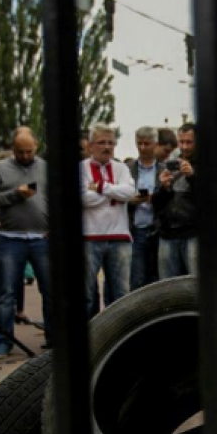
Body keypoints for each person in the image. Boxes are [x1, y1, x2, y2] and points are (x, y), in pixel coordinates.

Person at [0, 127, 51, 359]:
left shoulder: (45, 168)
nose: (25, 156)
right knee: (6, 293)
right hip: (11, 238)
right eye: (20, 152)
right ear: (13, 149)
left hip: (42, 238)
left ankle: (53, 338)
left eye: (29, 151)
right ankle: (4, 340)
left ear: (36, 147)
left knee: (49, 290)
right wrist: (14, 195)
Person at [80, 124, 137, 317]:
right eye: (101, 142)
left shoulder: (122, 168)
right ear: (90, 145)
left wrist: (100, 187)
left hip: (119, 237)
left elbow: (129, 193)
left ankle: (119, 337)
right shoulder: (81, 168)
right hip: (90, 237)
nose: (106, 147)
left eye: (111, 143)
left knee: (121, 293)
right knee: (86, 294)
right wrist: (114, 192)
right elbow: (83, 198)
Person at [154, 122, 199, 278]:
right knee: (167, 288)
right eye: (182, 142)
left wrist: (193, 176)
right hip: (168, 233)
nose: (185, 147)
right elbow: (156, 203)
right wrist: (163, 187)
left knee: (197, 285)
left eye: (189, 142)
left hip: (194, 232)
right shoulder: (167, 165)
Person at [127, 127, 163, 290]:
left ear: (155, 144)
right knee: (137, 278)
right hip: (136, 228)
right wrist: (131, 200)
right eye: (139, 143)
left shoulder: (163, 169)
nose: (142, 148)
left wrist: (155, 198)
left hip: (158, 228)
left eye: (146, 144)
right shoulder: (128, 169)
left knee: (157, 277)